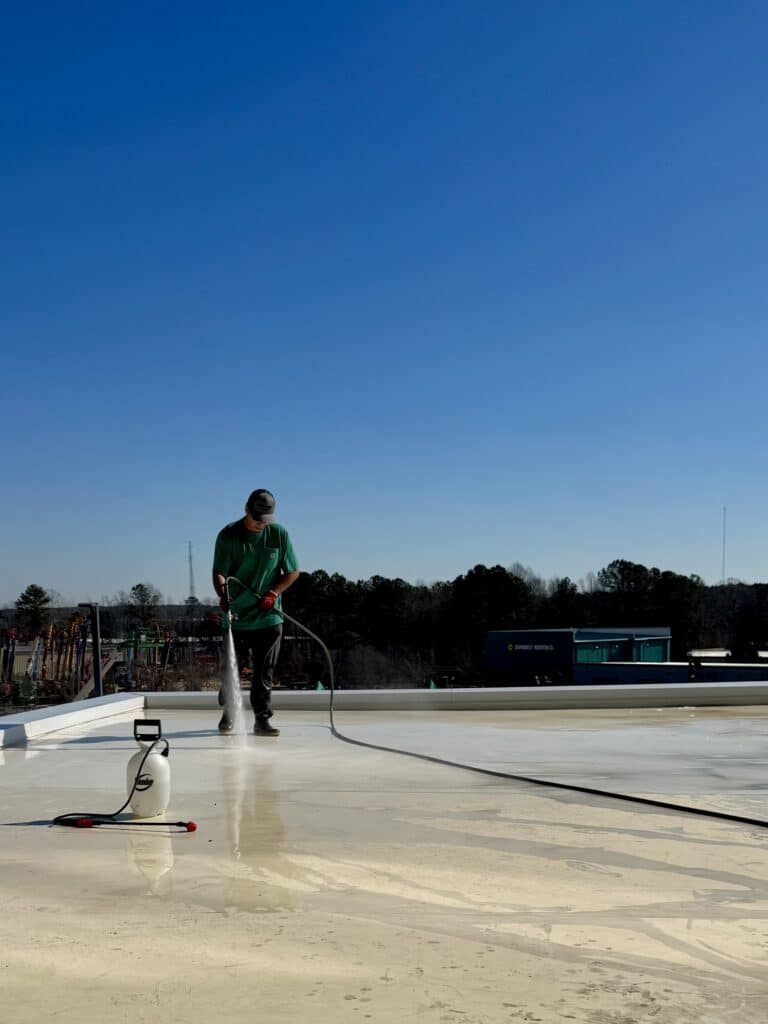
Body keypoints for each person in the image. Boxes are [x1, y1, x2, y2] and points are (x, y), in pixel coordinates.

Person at [212, 489, 300, 735]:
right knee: (231, 670)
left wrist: (274, 593)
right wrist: (223, 593)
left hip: (269, 616)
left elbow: (292, 571)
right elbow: (219, 571)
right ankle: (229, 714)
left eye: (266, 519)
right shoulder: (228, 536)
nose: (261, 524)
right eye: (257, 517)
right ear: (246, 509)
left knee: (264, 672)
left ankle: (262, 718)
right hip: (236, 617)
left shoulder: (278, 534)